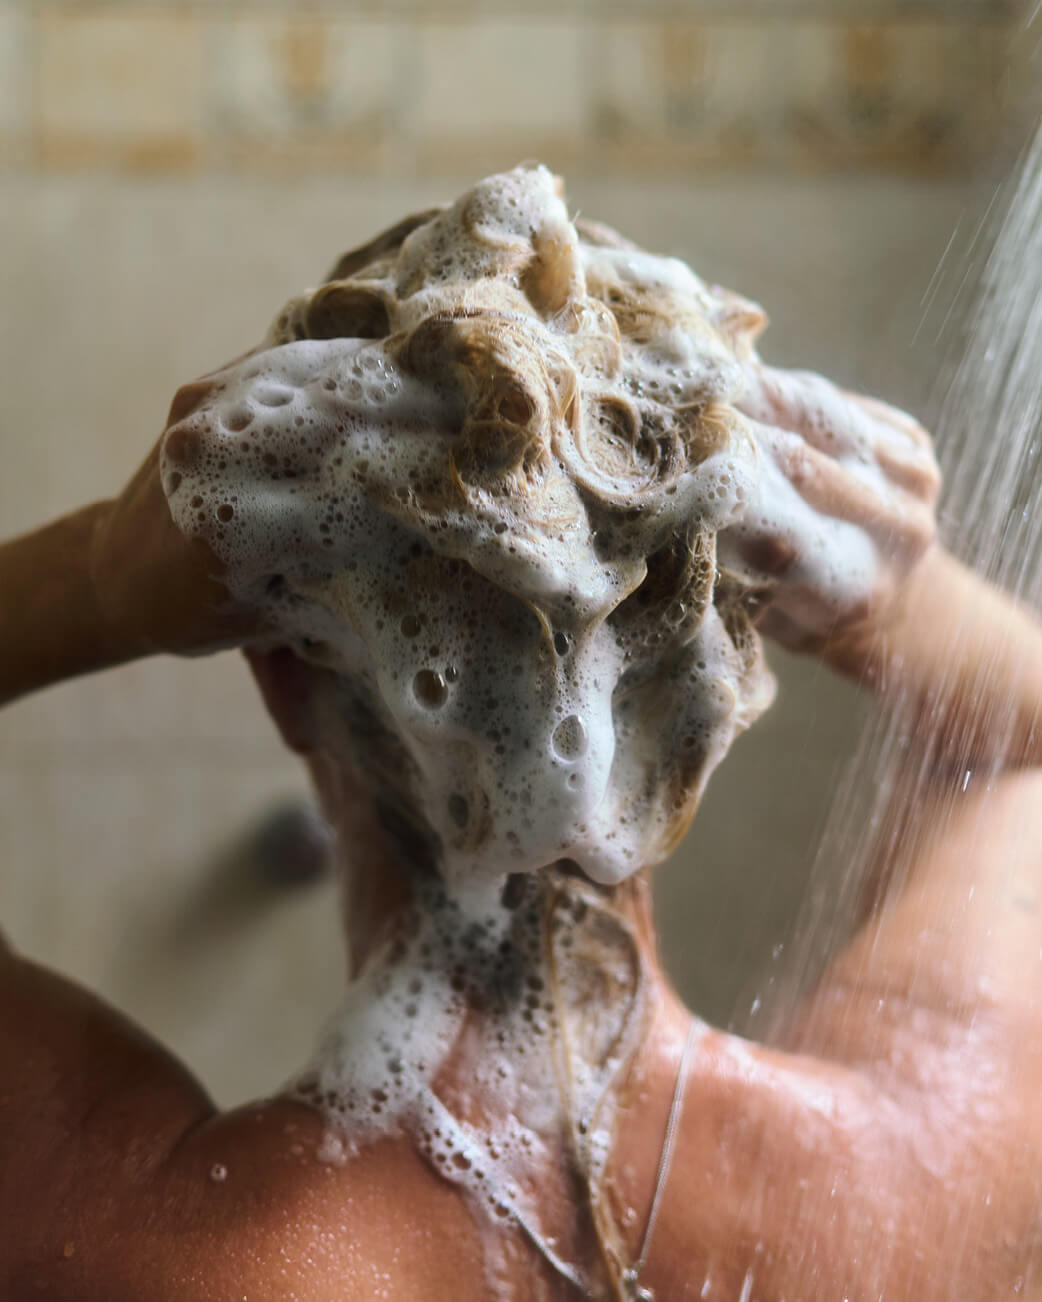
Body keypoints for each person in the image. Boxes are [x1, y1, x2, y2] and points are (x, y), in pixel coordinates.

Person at [3, 175, 1042, 1301]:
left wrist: (101, 579)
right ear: (713, 694)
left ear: (281, 687)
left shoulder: (151, 1247)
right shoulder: (927, 1179)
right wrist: (891, 599)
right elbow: (1024, 744)